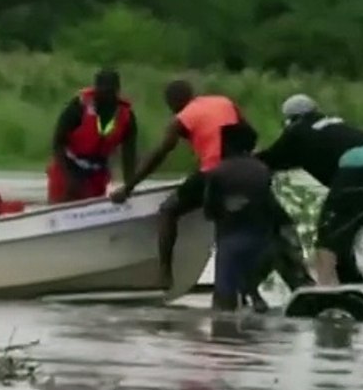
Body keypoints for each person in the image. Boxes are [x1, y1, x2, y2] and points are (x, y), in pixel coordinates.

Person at [255, 94, 363, 302]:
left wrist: (245, 160)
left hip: (354, 172)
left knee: (329, 233)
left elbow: (272, 158)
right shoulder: (334, 124)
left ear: (291, 118)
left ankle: (323, 291)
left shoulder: (296, 130)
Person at [111, 80, 252, 292]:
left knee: (168, 210)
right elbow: (248, 132)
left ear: (173, 103)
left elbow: (159, 155)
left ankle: (164, 275)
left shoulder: (182, 118)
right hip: (245, 168)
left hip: (214, 171)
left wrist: (128, 188)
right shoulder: (223, 102)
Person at [203, 123, 277, 312]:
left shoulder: (219, 172)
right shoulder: (262, 169)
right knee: (249, 289)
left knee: (223, 306)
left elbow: (209, 210)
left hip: (231, 241)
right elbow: (270, 204)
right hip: (263, 241)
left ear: (226, 144)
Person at [47, 69, 137, 204]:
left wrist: (129, 188)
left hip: (97, 175)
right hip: (67, 167)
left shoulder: (127, 117)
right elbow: (57, 142)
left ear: (117, 90)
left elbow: (129, 157)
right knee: (59, 210)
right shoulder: (78, 107)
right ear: (95, 89)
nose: (106, 96)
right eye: (102, 91)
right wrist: (69, 178)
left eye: (110, 91)